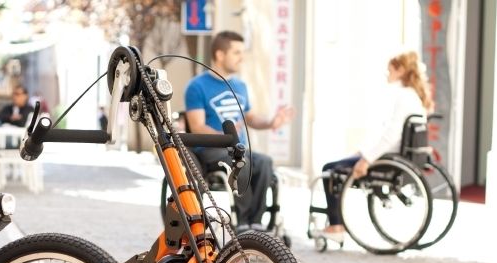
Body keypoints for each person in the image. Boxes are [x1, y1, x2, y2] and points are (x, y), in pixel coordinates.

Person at [318, 51, 433, 243]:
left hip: (387, 156)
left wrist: (366, 159)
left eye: (390, 70)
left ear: (400, 70)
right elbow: (386, 133)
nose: (386, 74)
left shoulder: (402, 96)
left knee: (330, 170)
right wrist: (363, 151)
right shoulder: (413, 96)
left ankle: (335, 225)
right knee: (337, 165)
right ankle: (335, 224)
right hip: (392, 154)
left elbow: (391, 135)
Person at [184, 30, 293, 229]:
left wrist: (272, 122)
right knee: (241, 162)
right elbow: (197, 126)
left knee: (264, 163)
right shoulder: (196, 86)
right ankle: (242, 223)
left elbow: (249, 117)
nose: (241, 58)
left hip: (237, 149)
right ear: (220, 55)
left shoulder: (240, 86)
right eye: (236, 52)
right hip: (210, 150)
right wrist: (225, 137)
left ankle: (255, 222)